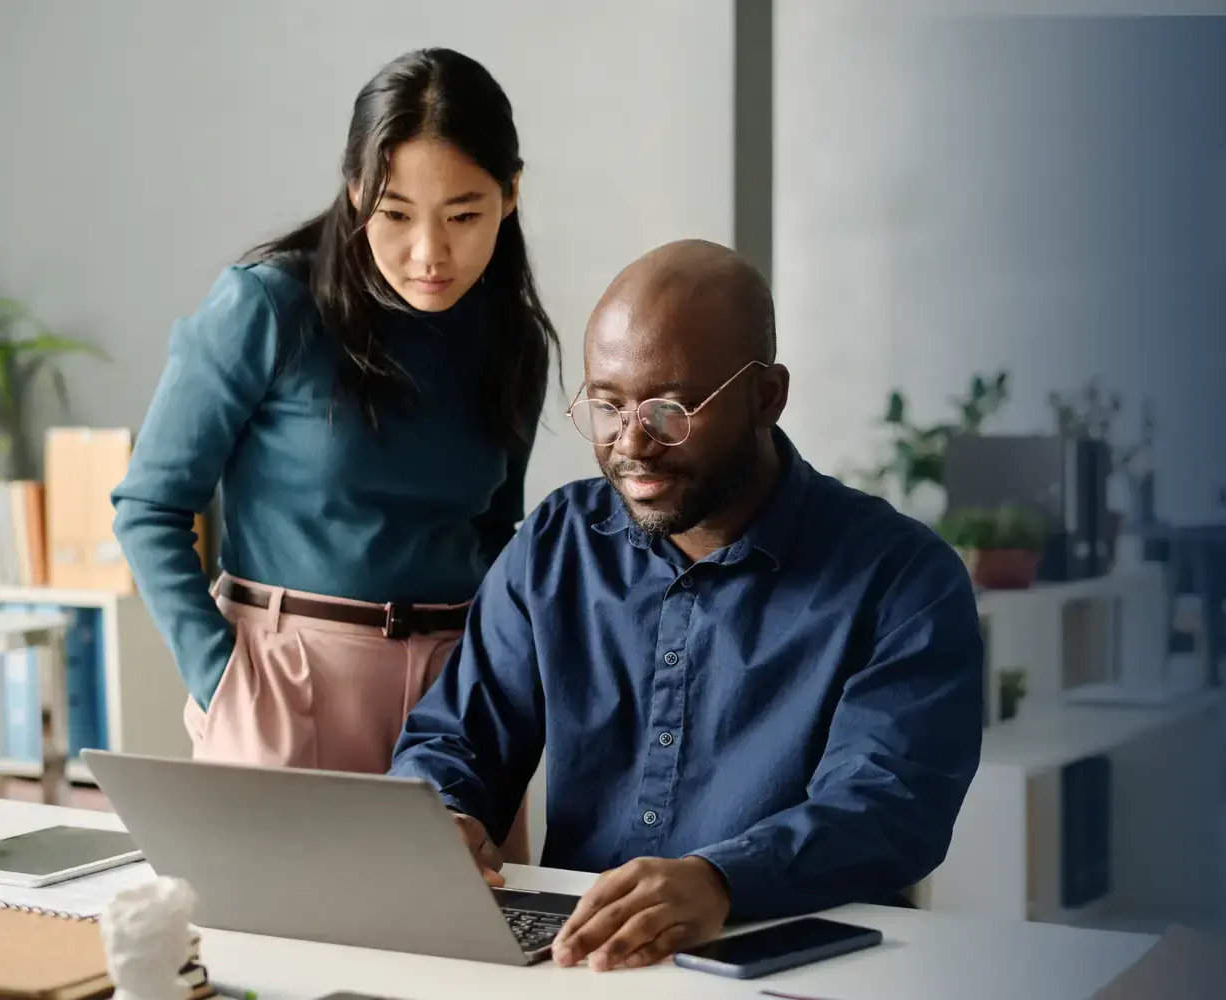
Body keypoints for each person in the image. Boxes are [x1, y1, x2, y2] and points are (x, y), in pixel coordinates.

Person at [389, 239, 985, 969]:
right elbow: (456, 737)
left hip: (806, 969)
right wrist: (443, 816)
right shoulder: (557, 542)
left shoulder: (902, 579)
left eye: (670, 410)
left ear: (766, 395)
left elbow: (887, 807)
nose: (632, 443)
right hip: (588, 970)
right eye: (606, 406)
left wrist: (723, 881)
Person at [110, 48, 555, 862]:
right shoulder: (269, 305)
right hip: (286, 682)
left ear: (510, 195)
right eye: (395, 213)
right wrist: (224, 681)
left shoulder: (511, 340)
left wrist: (493, 685)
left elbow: (497, 534)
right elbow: (150, 506)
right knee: (276, 966)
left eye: (463, 215)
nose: (431, 252)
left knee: (466, 961)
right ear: (354, 190)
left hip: (456, 702)